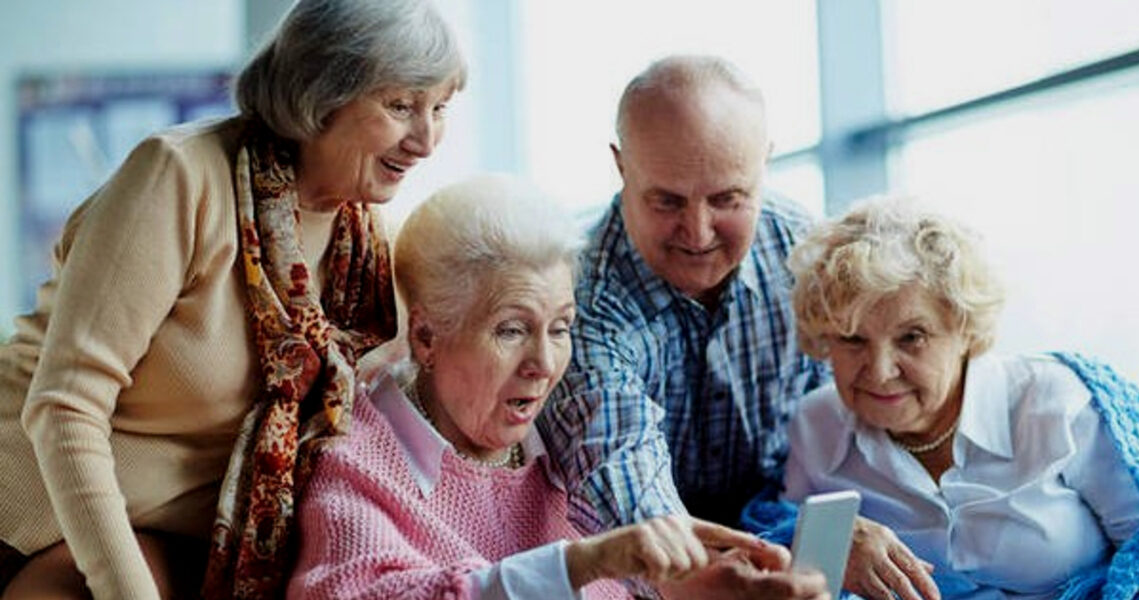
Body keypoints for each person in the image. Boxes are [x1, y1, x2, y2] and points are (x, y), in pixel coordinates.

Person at [0, 0, 465, 597]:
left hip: (184, 546)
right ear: (320, 93)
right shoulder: (180, 178)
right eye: (400, 106)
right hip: (38, 519)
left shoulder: (367, 243)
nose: (426, 139)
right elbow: (64, 406)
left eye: (440, 108)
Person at [285, 174, 825, 600]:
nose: (544, 364)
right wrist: (584, 562)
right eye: (512, 330)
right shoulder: (361, 461)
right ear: (427, 336)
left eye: (561, 328)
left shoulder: (569, 442)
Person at [744, 196, 1139, 599]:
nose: (880, 372)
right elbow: (790, 559)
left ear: (966, 330)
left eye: (912, 337)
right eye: (852, 340)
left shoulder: (1055, 402)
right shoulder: (815, 423)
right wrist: (828, 539)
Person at [537, 54, 829, 597]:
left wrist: (825, 537)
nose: (697, 233)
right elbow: (619, 472)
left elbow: (848, 423)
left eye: (727, 199)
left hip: (790, 531)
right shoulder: (579, 300)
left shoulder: (804, 251)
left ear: (764, 163)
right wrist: (702, 579)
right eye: (666, 200)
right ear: (622, 168)